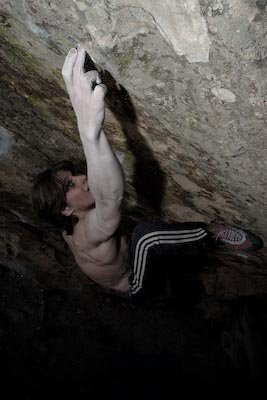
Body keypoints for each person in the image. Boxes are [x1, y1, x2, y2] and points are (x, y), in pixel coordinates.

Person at [32, 45, 263, 300]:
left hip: (134, 264)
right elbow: (109, 198)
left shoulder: (68, 223)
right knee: (146, 237)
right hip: (138, 287)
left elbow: (100, 185)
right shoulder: (85, 233)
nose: (82, 177)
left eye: (74, 175)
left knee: (147, 241)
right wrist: (89, 134)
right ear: (65, 209)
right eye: (70, 185)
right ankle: (213, 233)